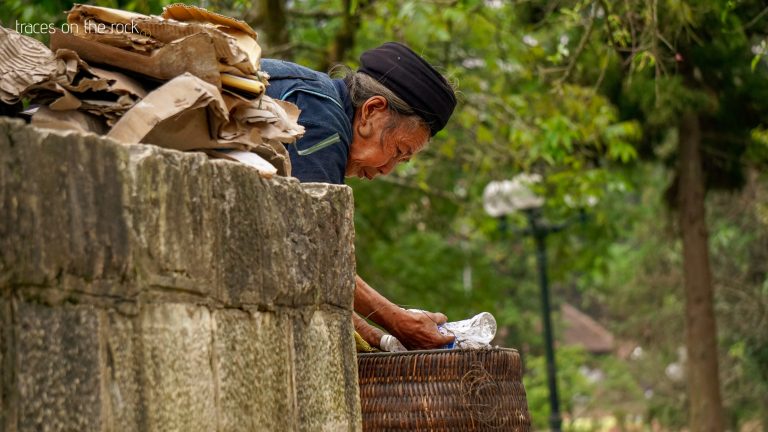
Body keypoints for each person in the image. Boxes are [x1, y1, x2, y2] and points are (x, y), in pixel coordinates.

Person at [261, 42, 456, 350]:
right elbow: (320, 256)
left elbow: (317, 270)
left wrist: (382, 339)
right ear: (371, 111)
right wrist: (397, 321)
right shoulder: (321, 118)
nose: (386, 170)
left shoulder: (321, 104)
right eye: (397, 152)